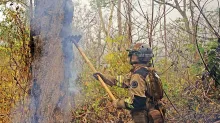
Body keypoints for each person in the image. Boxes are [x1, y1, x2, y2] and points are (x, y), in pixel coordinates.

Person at [93, 43, 165, 123]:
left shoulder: (138, 75)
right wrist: (104, 78)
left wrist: (118, 103)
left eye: (133, 54)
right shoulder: (149, 71)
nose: (130, 56)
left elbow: (137, 103)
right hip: (152, 112)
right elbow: (123, 81)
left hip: (143, 117)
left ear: (140, 56)